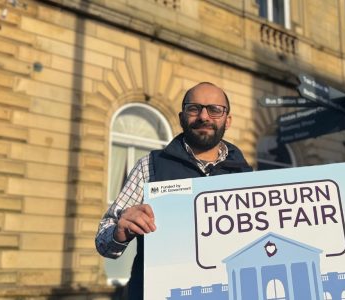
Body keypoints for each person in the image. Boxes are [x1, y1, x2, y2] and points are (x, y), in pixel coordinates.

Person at [95, 82, 252, 299]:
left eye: (215, 110)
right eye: (194, 108)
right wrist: (120, 231)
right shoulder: (149, 165)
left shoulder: (248, 177)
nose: (204, 116)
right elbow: (104, 243)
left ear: (228, 120)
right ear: (181, 117)